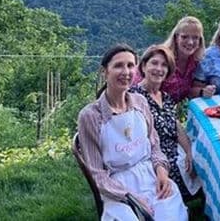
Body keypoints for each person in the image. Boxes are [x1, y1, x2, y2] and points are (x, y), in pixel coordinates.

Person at [77, 44, 188, 220]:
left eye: (130, 65)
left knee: (170, 214)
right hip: (116, 185)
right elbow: (97, 173)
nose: (126, 72)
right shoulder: (90, 116)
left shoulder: (140, 102)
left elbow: (155, 147)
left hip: (149, 175)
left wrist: (161, 171)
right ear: (105, 71)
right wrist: (129, 197)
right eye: (118, 66)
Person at [129, 45, 197, 201]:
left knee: (202, 157)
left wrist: (189, 151)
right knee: (196, 171)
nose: (159, 69)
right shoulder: (133, 97)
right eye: (154, 63)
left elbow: (175, 125)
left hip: (173, 149)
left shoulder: (165, 97)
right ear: (144, 66)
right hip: (152, 157)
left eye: (164, 65)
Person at [161, 16, 213, 101]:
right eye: (184, 37)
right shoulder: (162, 59)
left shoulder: (197, 62)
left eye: (195, 38)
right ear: (176, 37)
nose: (190, 42)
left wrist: (203, 91)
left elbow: (189, 90)